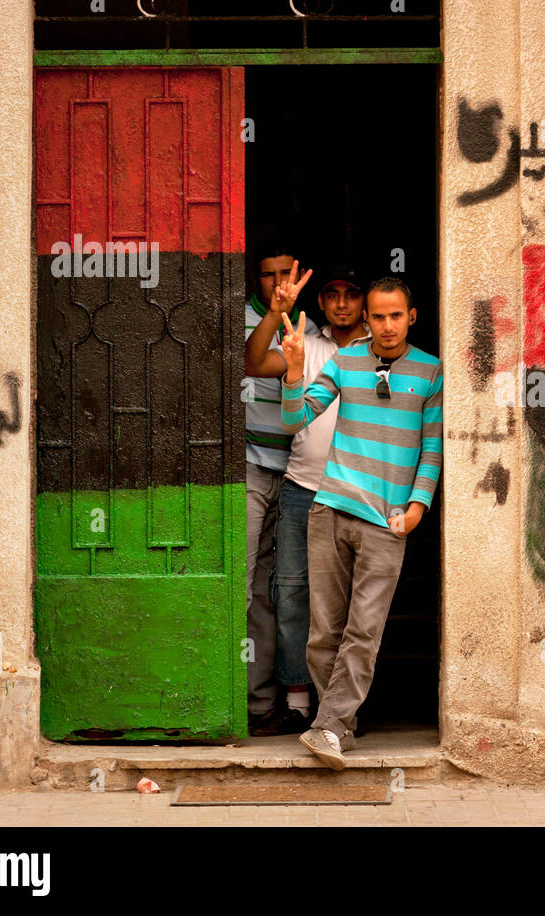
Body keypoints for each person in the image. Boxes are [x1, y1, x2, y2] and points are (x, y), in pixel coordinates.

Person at [279, 277, 442, 770]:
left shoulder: (430, 371)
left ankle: (326, 726)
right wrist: (291, 372)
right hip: (330, 508)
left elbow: (431, 448)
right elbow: (295, 419)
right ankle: (339, 727)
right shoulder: (346, 362)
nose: (387, 325)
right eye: (378, 316)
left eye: (396, 316)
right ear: (365, 320)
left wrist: (417, 508)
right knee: (322, 631)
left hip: (388, 521)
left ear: (411, 317)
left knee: (363, 629)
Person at [244, 262, 370, 735]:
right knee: (293, 595)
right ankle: (298, 701)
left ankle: (341, 706)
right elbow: (254, 364)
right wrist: (277, 313)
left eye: (350, 294)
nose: (341, 303)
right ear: (320, 303)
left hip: (357, 492)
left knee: (354, 603)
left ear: (363, 302)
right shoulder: (305, 344)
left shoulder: (379, 351)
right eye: (332, 295)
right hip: (301, 489)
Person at [243, 241, 317, 732]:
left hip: (295, 474)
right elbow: (252, 360)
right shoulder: (244, 319)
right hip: (249, 467)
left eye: (283, 273)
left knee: (282, 591)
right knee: (245, 585)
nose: (277, 283)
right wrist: (274, 314)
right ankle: (244, 701)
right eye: (267, 275)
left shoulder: (317, 331)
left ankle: (270, 702)